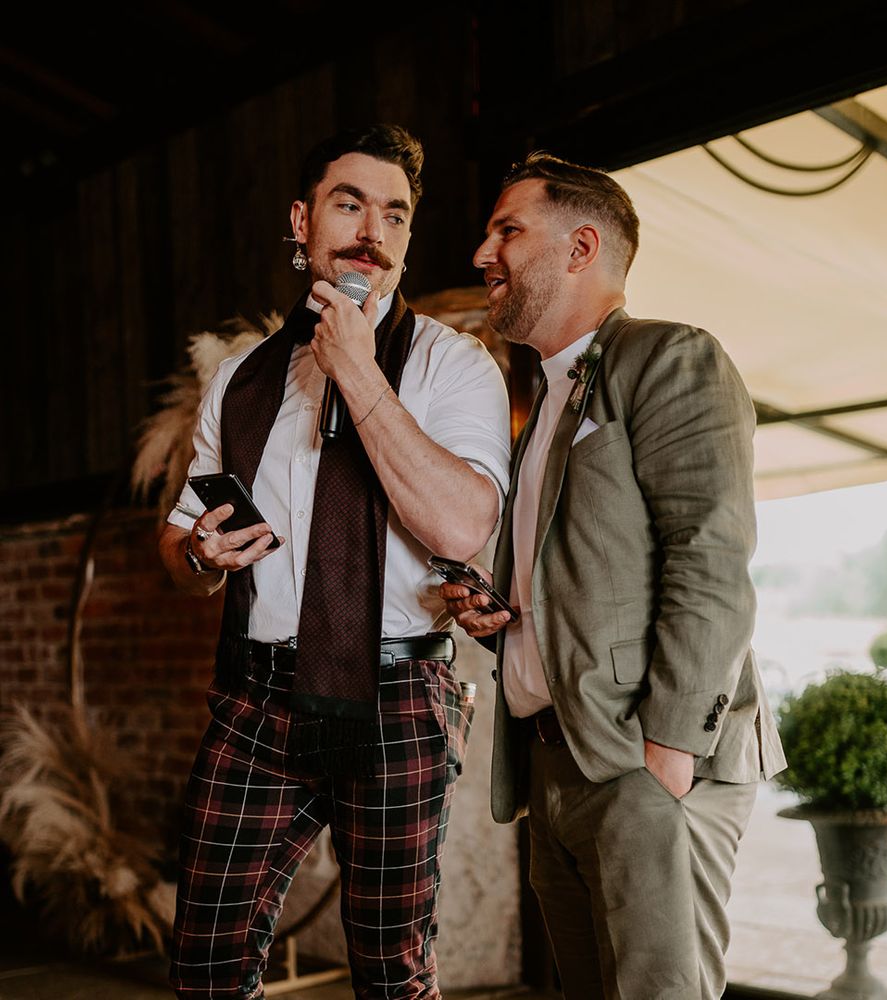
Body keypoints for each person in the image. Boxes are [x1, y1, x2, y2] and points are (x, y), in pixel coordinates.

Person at [159, 124, 510, 1000]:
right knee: (204, 961)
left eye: (395, 215)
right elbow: (178, 539)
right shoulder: (240, 378)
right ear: (301, 220)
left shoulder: (453, 365)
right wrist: (200, 556)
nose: (371, 232)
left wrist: (358, 371)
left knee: (391, 976)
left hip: (395, 697)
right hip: (256, 698)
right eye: (349, 204)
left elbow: (462, 525)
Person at [442, 153, 786, 1000]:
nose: (485, 252)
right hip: (554, 768)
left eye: (508, 230)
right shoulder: (544, 403)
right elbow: (585, 573)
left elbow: (712, 558)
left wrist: (666, 750)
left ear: (581, 246)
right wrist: (502, 610)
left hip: (645, 762)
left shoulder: (670, 358)